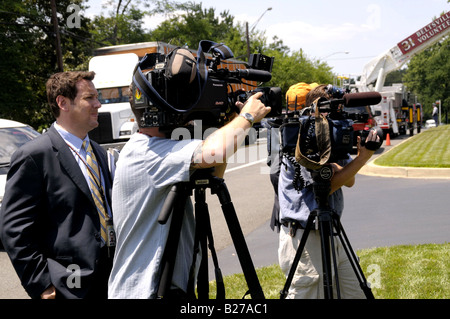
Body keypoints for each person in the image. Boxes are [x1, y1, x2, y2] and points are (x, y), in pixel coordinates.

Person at [108, 83, 271, 299]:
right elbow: (215, 151)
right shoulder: (147, 152)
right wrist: (247, 116)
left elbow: (214, 170)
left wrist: (229, 122)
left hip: (166, 287)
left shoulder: (154, 148)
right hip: (147, 291)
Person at [0, 71, 114, 299]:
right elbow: (14, 229)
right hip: (67, 287)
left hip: (110, 280)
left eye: (97, 97)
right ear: (63, 102)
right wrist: (41, 284)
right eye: (89, 98)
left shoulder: (99, 152)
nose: (98, 104)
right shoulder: (34, 155)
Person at [277, 84, 380, 299]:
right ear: (317, 109)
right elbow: (324, 188)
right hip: (306, 236)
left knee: (355, 292)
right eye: (332, 109)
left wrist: (350, 162)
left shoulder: (332, 136)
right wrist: (361, 159)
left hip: (332, 230)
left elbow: (348, 181)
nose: (338, 115)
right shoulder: (303, 136)